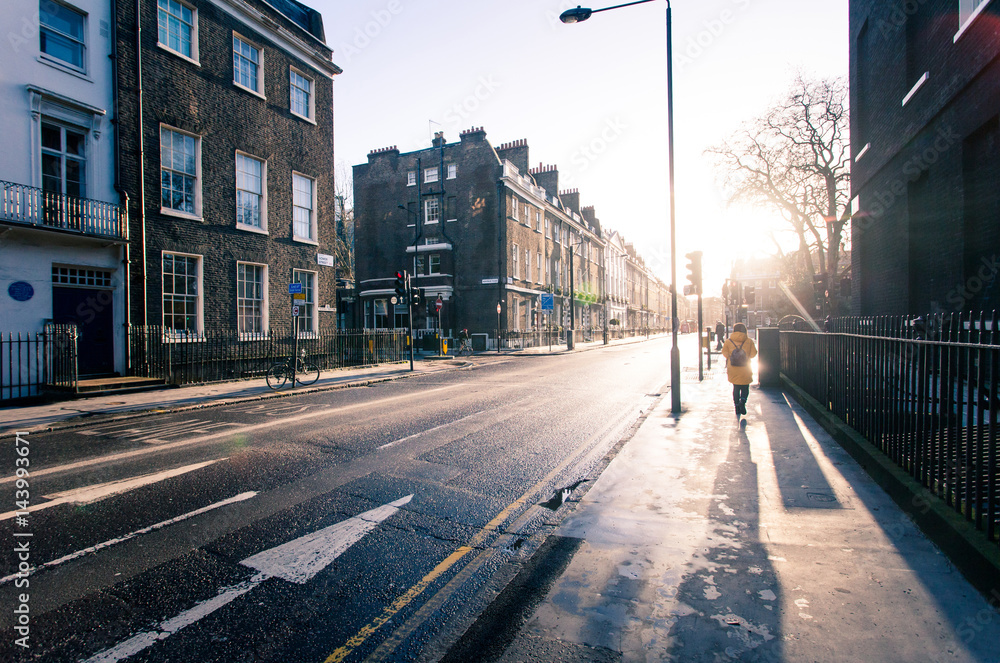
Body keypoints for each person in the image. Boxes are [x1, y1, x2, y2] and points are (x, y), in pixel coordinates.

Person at [721, 322, 758, 417]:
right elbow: (753, 354)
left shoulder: (728, 341)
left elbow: (724, 352)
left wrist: (731, 356)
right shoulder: (749, 341)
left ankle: (737, 406)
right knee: (745, 387)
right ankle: (743, 401)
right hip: (745, 368)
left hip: (733, 368)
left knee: (736, 388)